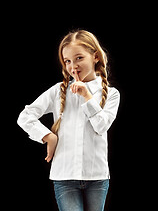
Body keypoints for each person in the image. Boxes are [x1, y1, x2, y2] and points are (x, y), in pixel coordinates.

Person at [17, 30, 120, 211]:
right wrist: (47, 136)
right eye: (68, 61)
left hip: (97, 176)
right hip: (64, 176)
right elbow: (25, 116)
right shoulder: (58, 91)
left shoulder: (111, 94)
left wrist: (87, 96)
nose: (73, 66)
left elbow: (101, 126)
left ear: (95, 56)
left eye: (79, 58)